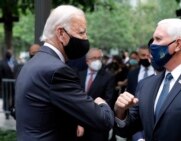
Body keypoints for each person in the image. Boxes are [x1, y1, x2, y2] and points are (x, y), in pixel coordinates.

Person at [15, 5, 114, 141]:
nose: (85, 38)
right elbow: (103, 120)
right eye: (81, 33)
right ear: (61, 34)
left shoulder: (32, 63)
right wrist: (101, 103)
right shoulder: (57, 71)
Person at [77, 48, 115, 141]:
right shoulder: (78, 74)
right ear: (87, 61)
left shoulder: (108, 77)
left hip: (97, 123)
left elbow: (108, 100)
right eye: (94, 58)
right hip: (78, 121)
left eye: (99, 58)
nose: (97, 61)